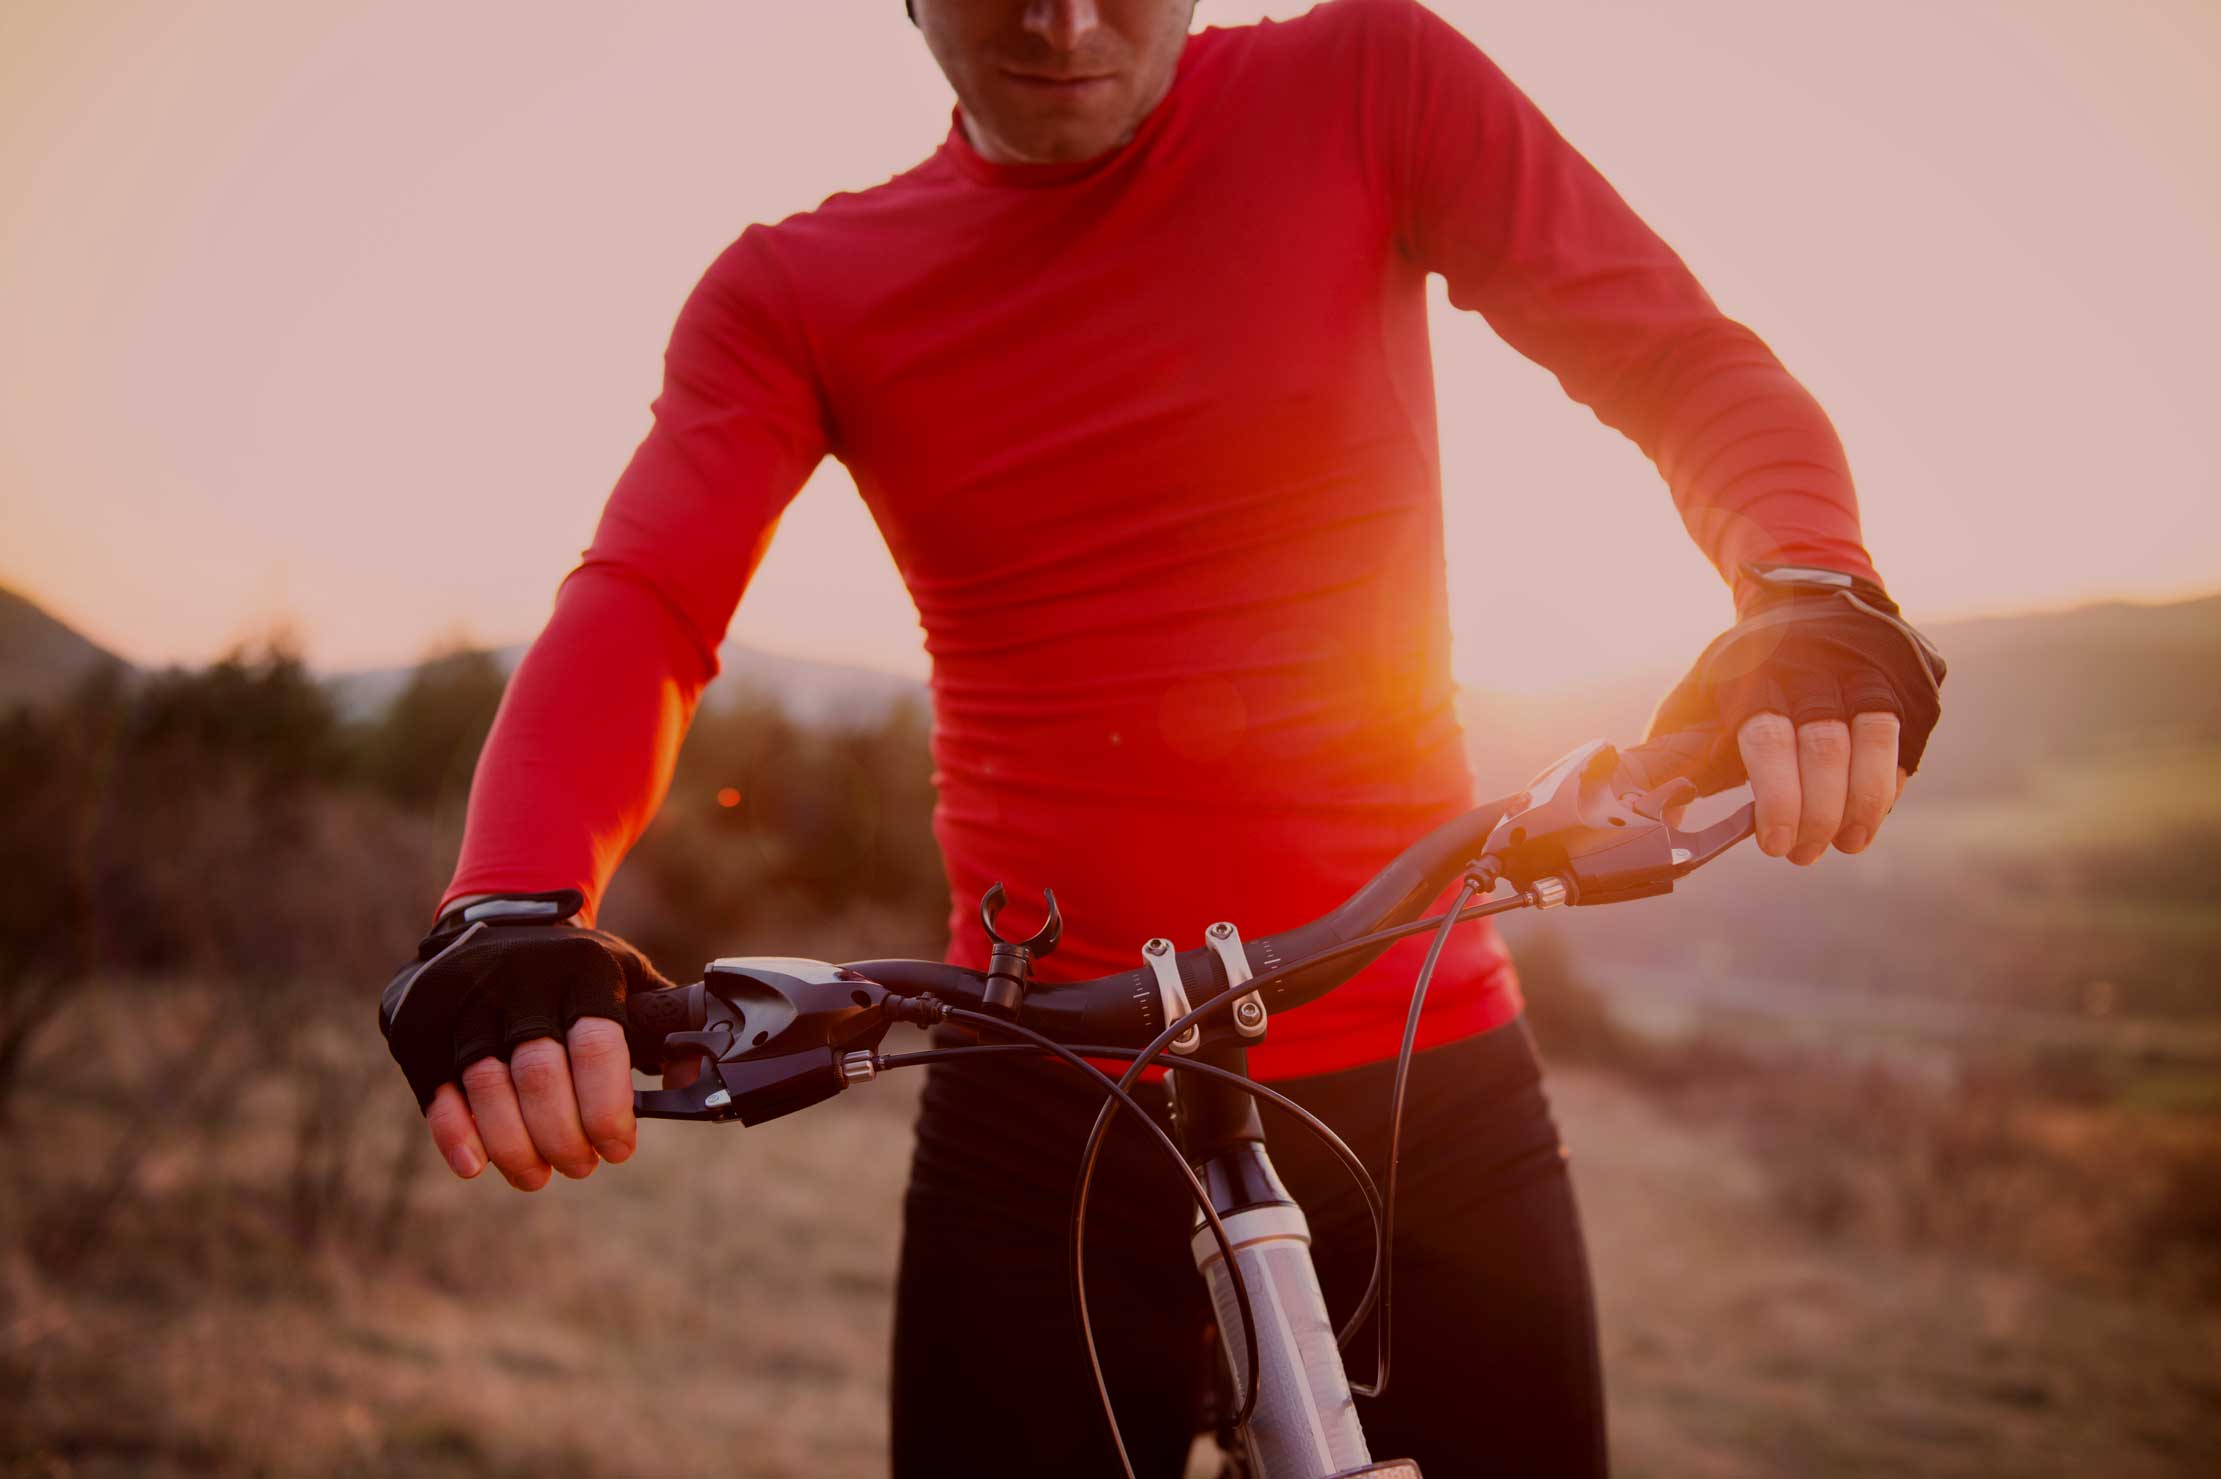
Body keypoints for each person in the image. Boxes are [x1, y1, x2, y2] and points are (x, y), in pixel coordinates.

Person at [379, 2, 1945, 1473]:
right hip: (1036, 1083)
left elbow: (1670, 355)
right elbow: (649, 597)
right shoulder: (794, 289)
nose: (1064, 21)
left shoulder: (1369, 82)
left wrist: (1804, 583)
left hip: (1423, 1063)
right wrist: (513, 901)